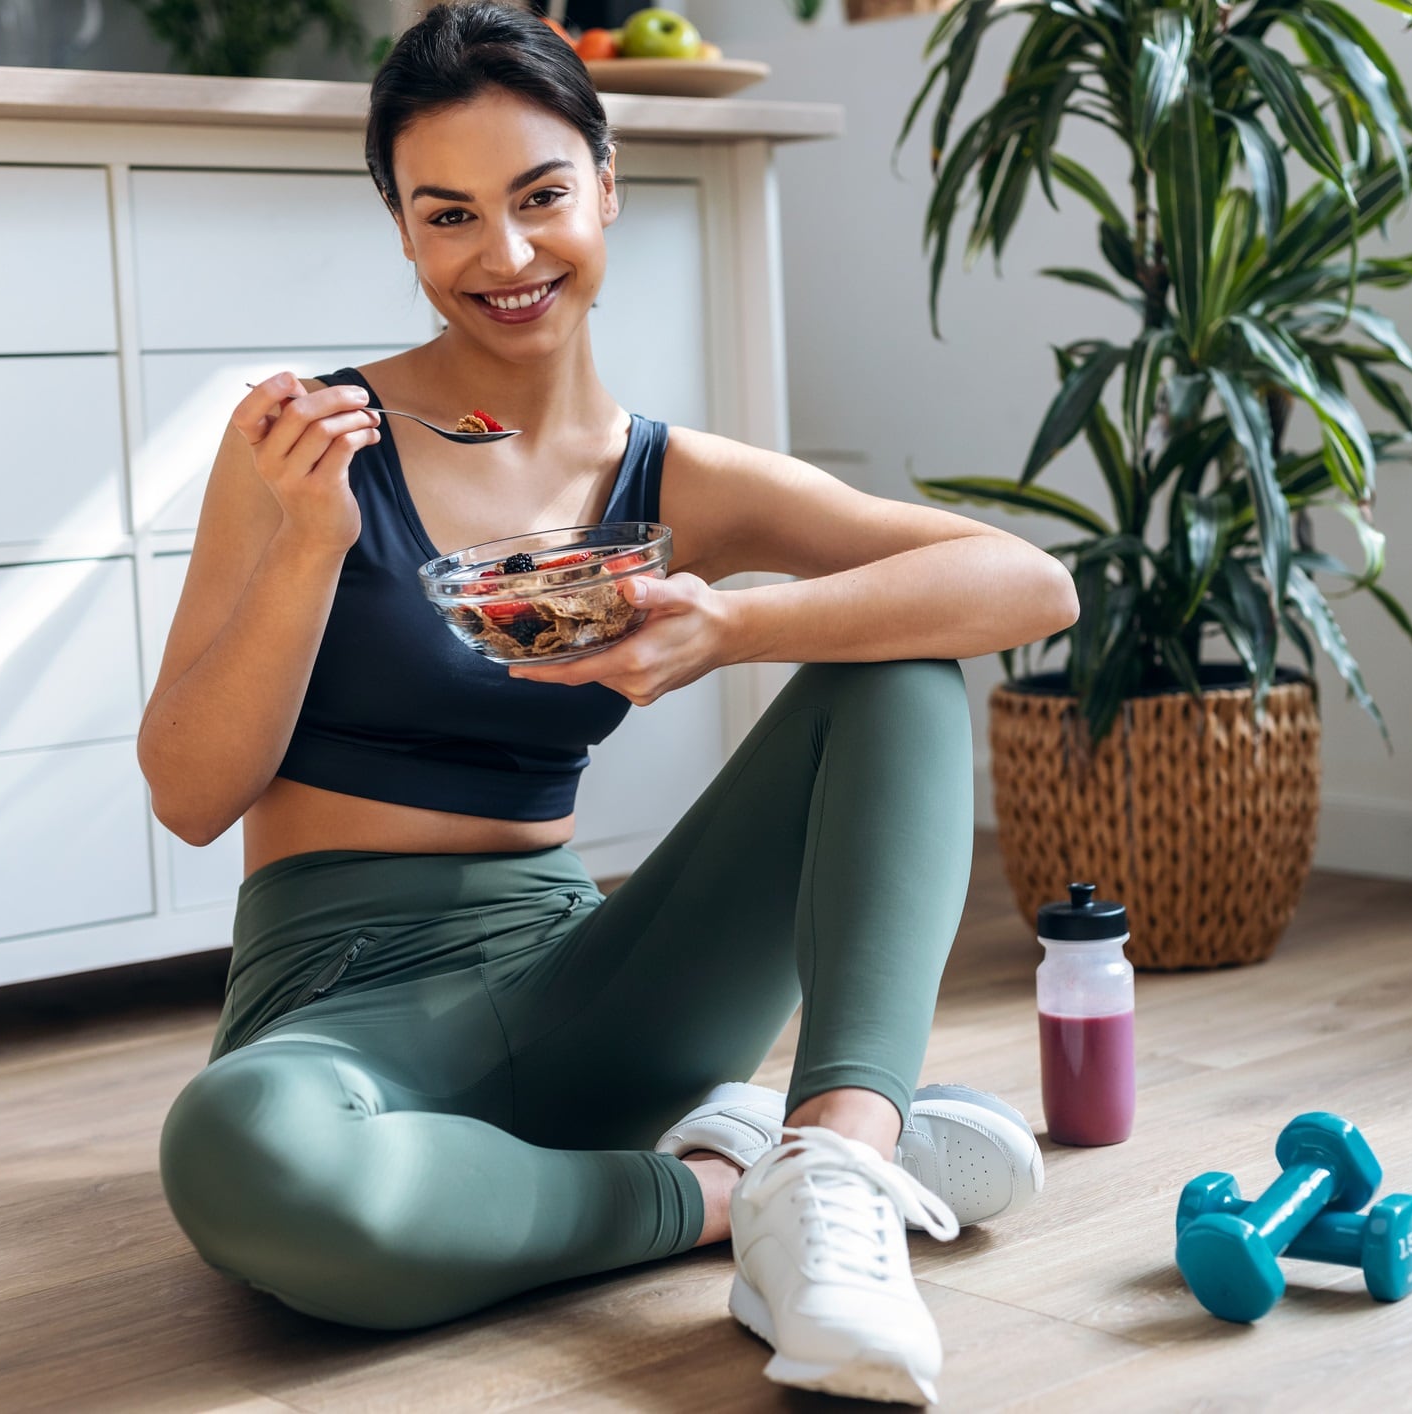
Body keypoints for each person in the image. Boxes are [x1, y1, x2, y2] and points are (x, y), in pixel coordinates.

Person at [139, 3, 1079, 1403]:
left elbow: (1027, 584)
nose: (504, 256)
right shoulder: (301, 447)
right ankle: (724, 1182)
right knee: (243, 1154)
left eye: (540, 197)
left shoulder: (676, 481)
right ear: (401, 232)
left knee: (896, 649)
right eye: (447, 213)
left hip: (594, 985)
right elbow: (191, 793)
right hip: (341, 1003)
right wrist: (309, 550)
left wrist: (734, 625)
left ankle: (838, 1155)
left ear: (606, 185)